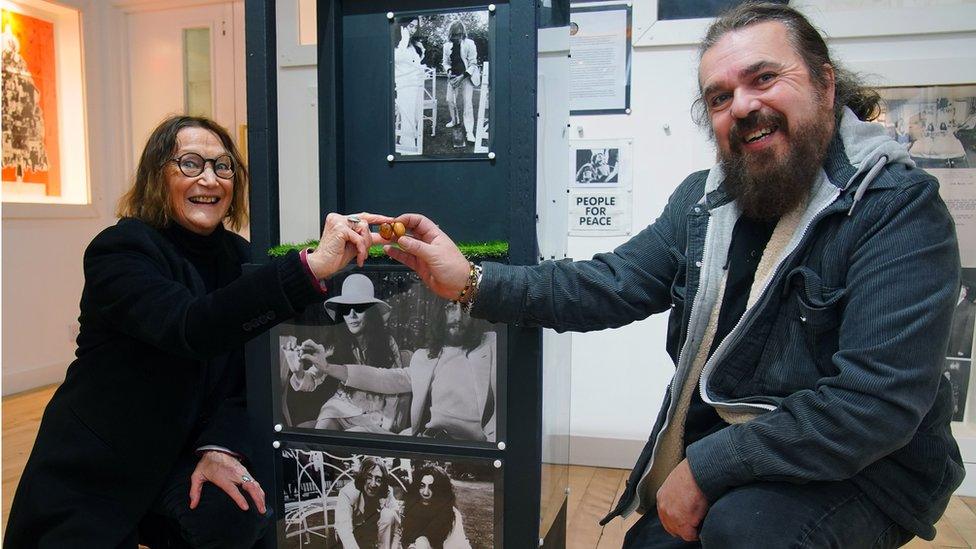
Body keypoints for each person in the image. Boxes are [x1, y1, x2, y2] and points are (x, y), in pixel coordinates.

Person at [377, 3, 963, 547]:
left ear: (825, 83)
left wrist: (707, 468)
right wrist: (470, 280)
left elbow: (874, 404)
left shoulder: (894, 208)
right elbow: (608, 284)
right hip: (734, 451)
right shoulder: (702, 205)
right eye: (718, 97)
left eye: (764, 78)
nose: (742, 105)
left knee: (744, 530)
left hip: (868, 471)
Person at [3, 115, 381, 548]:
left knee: (238, 513)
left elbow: (249, 378)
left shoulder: (239, 258)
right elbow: (192, 326)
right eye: (190, 164)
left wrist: (221, 446)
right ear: (156, 175)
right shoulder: (120, 249)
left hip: (184, 455)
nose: (210, 179)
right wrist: (307, 268)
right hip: (102, 463)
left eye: (223, 167)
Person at [303, 300, 496, 441]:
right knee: (349, 434)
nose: (458, 317)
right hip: (433, 439)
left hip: (478, 445)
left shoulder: (492, 344)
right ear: (440, 313)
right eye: (450, 307)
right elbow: (382, 378)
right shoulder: (424, 358)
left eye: (465, 306)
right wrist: (326, 367)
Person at [289, 273, 405, 433]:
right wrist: (299, 372)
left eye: (358, 308)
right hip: (341, 408)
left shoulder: (387, 342)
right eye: (345, 309)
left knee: (350, 438)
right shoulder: (335, 344)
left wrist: (388, 424)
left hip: (375, 416)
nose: (351, 315)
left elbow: (397, 386)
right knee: (323, 429)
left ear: (371, 312)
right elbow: (313, 378)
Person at [333, 457, 402, 549]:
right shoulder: (347, 493)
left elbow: (397, 525)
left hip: (376, 535)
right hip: (352, 537)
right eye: (369, 477)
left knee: (388, 514)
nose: (373, 484)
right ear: (362, 477)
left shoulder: (386, 491)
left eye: (378, 479)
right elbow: (345, 530)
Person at [401, 464, 472, 549]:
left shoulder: (451, 514)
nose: (425, 493)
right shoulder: (410, 508)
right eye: (422, 486)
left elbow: (457, 544)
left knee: (421, 542)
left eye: (432, 487)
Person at [441, 20, 479, 144]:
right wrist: (449, 71)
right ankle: (454, 121)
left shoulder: (470, 44)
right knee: (450, 100)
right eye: (454, 35)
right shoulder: (446, 46)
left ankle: (469, 132)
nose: (457, 37)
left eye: (459, 34)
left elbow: (473, 63)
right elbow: (445, 62)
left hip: (467, 77)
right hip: (453, 77)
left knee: (467, 103)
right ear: (451, 34)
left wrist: (462, 77)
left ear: (463, 33)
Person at [395, 16, 426, 154]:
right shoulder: (397, 44)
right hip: (403, 86)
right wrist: (404, 39)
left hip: (416, 84)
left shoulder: (415, 45)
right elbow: (396, 59)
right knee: (408, 117)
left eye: (415, 27)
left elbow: (417, 63)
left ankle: (406, 142)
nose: (412, 30)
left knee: (415, 117)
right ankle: (409, 150)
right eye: (410, 26)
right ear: (403, 25)